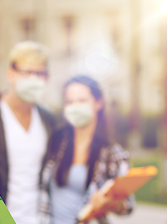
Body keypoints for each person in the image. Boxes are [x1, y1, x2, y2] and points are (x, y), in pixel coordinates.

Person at [39, 75, 134, 224]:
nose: (75, 107)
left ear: (98, 103)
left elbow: (128, 206)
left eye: (82, 100)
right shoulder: (56, 141)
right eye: (69, 102)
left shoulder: (113, 153)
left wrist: (109, 204)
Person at [0, 41, 60, 224]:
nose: (34, 79)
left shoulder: (47, 119)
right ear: (10, 74)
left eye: (40, 73)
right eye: (27, 72)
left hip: (38, 219)